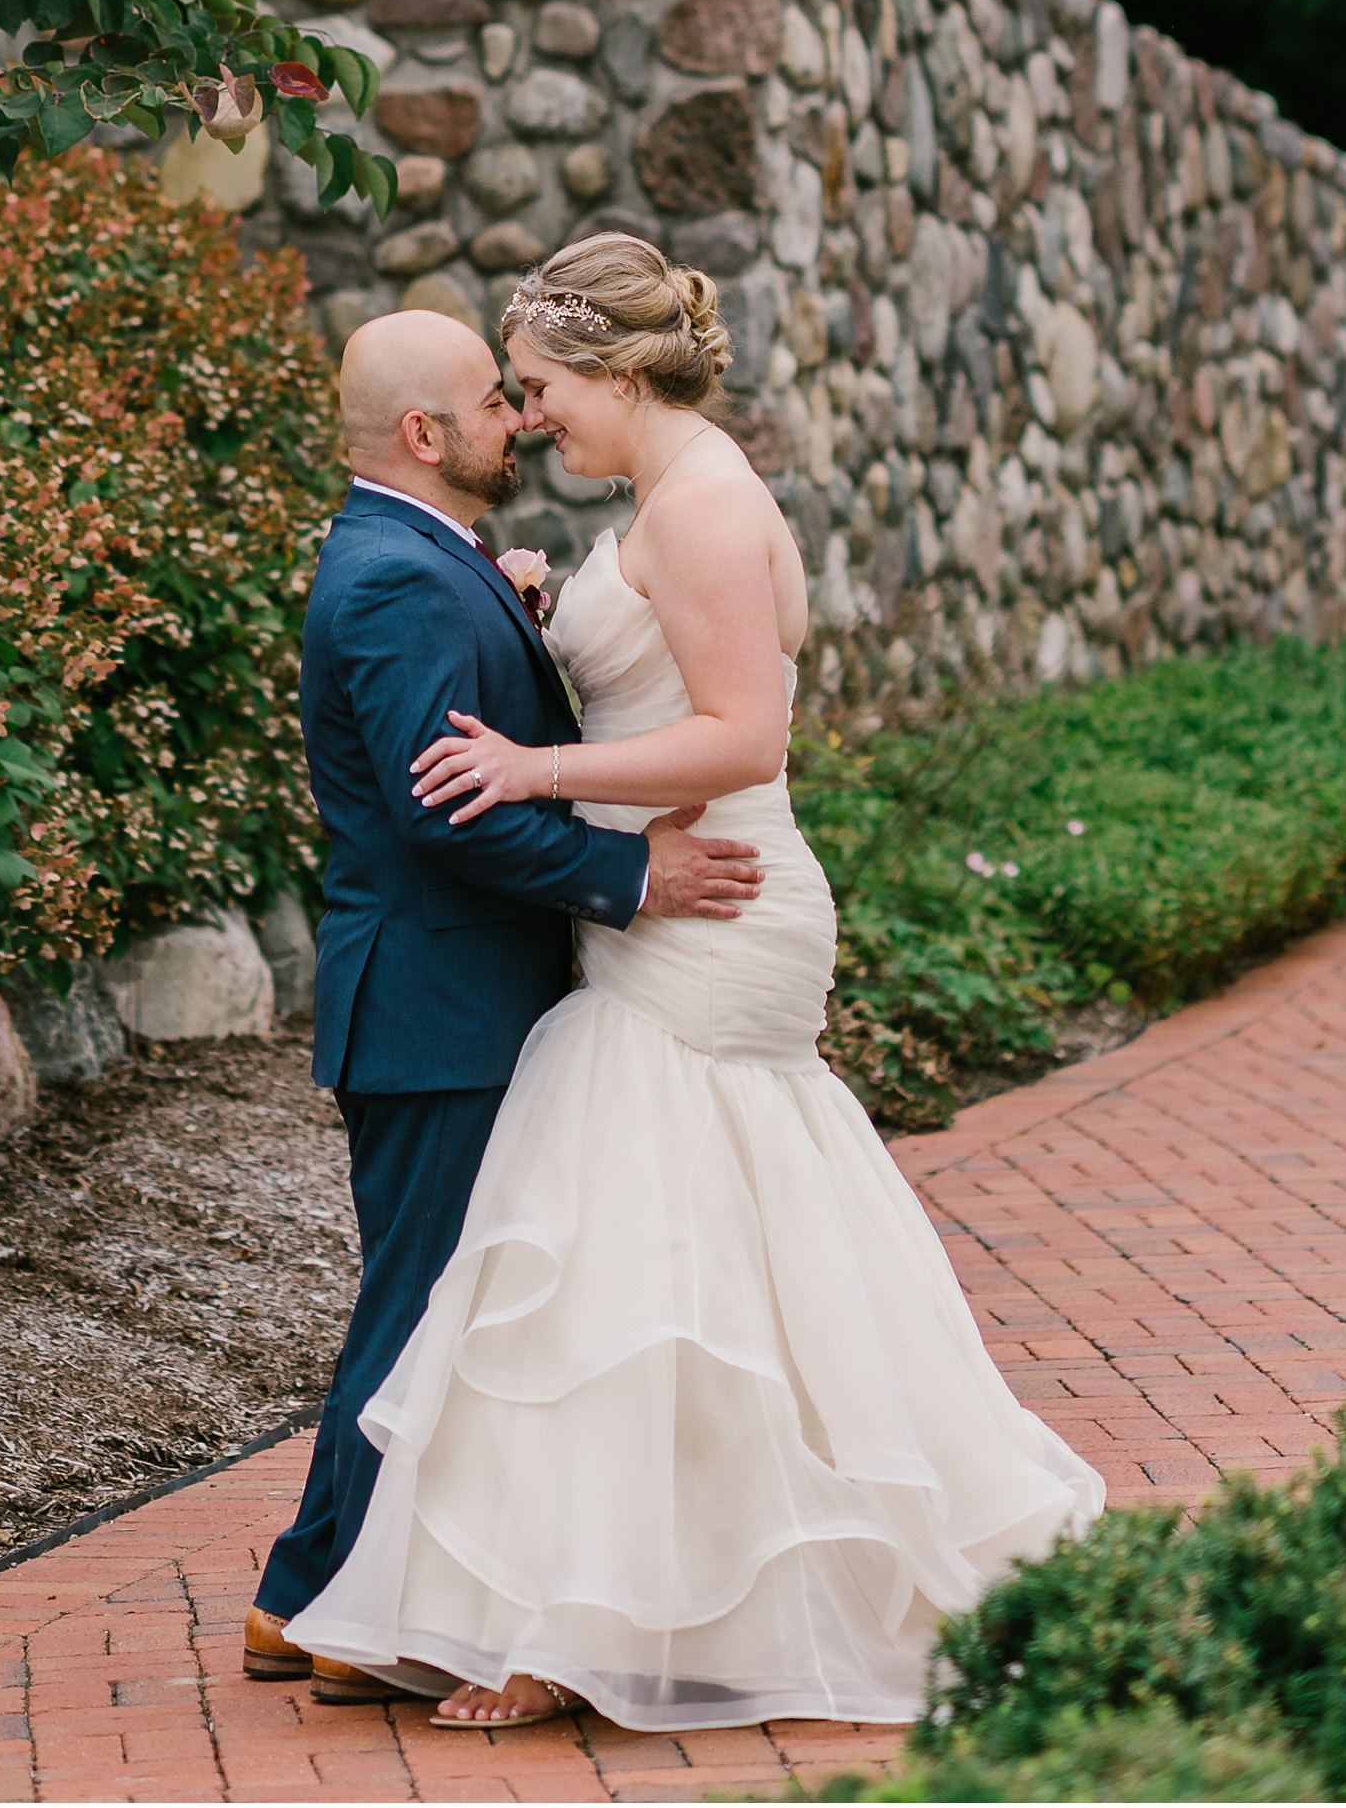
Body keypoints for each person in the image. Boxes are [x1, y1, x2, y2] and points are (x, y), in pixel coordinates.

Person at [285, 235, 1105, 1734]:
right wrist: (539, 620)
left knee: (614, 1251)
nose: (530, 421)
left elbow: (743, 737)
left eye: (536, 390)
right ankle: (593, 1600)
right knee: (654, 1263)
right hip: (650, 907)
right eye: (508, 396)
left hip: (709, 915)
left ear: (611, 373)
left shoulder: (711, 503)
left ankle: (566, 1621)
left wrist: (536, 762)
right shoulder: (666, 497)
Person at [243, 304, 768, 1703]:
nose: (516, 418)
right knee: (421, 1307)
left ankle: (338, 1589)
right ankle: (306, 1599)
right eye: (493, 399)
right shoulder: (398, 576)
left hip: (463, 991)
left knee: (442, 1304)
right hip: (438, 997)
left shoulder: (425, 554)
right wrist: (629, 877)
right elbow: (443, 816)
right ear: (424, 434)